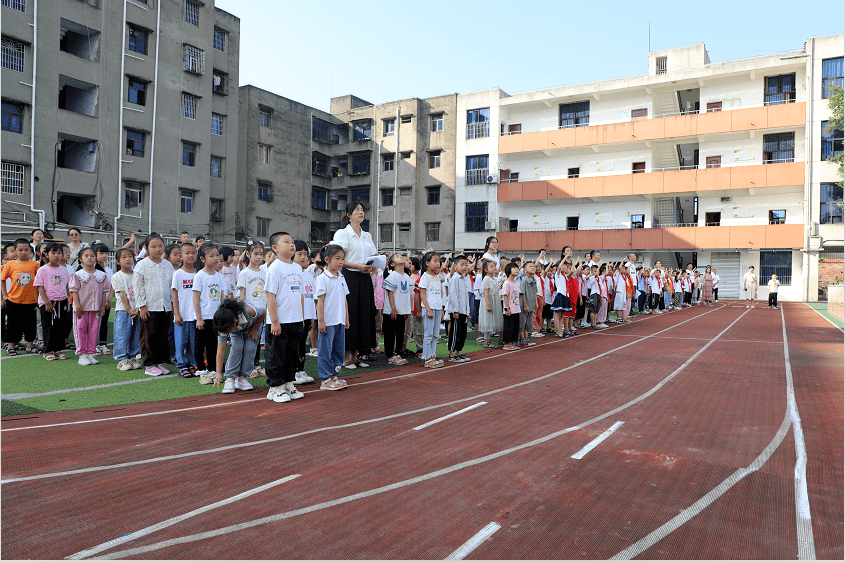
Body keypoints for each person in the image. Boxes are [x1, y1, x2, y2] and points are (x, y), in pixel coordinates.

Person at [331, 202, 377, 369]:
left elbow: (372, 256)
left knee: (364, 315)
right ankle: (345, 357)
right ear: (349, 215)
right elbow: (339, 258)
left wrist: (371, 266)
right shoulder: (343, 234)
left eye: (362, 210)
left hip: (365, 277)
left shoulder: (367, 235)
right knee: (349, 315)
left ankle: (357, 356)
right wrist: (358, 266)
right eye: (357, 210)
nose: (361, 212)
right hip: (349, 276)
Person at [265, 232, 306, 403]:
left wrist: (301, 317)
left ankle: (288, 383)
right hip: (279, 322)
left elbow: (301, 295)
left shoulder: (297, 268)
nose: (291, 244)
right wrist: (275, 321)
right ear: (275, 248)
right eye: (286, 242)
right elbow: (270, 296)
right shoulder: (274, 268)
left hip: (295, 320)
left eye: (292, 242)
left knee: (292, 354)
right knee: (276, 355)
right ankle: (275, 387)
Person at [133, 234, 175, 376]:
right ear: (146, 248)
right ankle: (149, 364)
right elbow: (138, 286)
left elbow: (171, 286)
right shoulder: (142, 265)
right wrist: (142, 306)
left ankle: (159, 362)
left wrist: (172, 306)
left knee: (162, 336)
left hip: (165, 306)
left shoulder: (167, 265)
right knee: (148, 335)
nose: (157, 249)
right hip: (149, 307)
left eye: (160, 246)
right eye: (153, 246)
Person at [315, 244, 350, 391]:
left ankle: (334, 375)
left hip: (340, 320)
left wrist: (346, 318)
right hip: (328, 321)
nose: (341, 262)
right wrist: (321, 321)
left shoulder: (341, 277)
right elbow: (320, 301)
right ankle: (325, 379)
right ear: (327, 259)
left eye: (343, 259)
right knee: (325, 350)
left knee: (338, 350)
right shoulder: (323, 278)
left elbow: (344, 299)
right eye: (338, 258)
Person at [68, 247, 110, 366]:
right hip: (81, 309)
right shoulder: (77, 275)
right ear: (81, 259)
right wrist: (77, 306)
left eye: (92, 255)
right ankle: (82, 355)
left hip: (95, 309)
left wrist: (102, 306)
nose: (90, 258)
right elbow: (74, 291)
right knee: (80, 331)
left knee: (93, 331)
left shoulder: (102, 275)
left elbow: (104, 292)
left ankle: (91, 354)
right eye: (86, 256)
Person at [212, 299, 264, 394]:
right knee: (237, 347)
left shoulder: (248, 311)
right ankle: (230, 378)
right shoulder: (223, 325)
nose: (226, 334)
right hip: (236, 330)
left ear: (236, 321)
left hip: (252, 326)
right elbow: (221, 350)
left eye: (227, 331)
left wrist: (254, 329)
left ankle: (243, 378)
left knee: (250, 348)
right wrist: (218, 373)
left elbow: (264, 312)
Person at [1, 239, 40, 355]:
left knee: (30, 323)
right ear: (14, 251)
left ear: (30, 251)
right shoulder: (10, 265)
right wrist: (4, 296)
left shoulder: (35, 265)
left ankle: (30, 345)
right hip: (13, 300)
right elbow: (2, 280)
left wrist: (39, 297)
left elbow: (40, 283)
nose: (23, 252)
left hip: (31, 301)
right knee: (13, 324)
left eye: (26, 250)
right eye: (20, 250)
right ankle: (11, 346)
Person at [193, 244, 224, 383]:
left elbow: (222, 297)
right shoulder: (199, 275)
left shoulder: (219, 276)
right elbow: (196, 298)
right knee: (200, 343)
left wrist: (223, 314)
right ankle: (200, 367)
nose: (215, 258)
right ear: (202, 259)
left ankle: (212, 367)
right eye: (211, 256)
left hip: (215, 317)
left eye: (217, 255)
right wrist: (199, 318)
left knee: (213, 343)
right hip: (203, 317)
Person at [33, 242, 71, 361]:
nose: (57, 256)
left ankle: (58, 350)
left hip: (62, 301)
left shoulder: (64, 270)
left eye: (59, 253)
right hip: (49, 302)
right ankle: (48, 351)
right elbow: (40, 287)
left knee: (60, 327)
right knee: (49, 327)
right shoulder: (43, 270)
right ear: (46, 255)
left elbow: (67, 286)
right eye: (53, 253)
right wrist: (47, 302)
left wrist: (68, 301)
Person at [237, 243, 266, 377]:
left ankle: (247, 372)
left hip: (260, 316)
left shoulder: (265, 273)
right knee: (240, 347)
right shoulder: (244, 273)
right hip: (247, 315)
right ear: (248, 254)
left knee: (252, 346)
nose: (259, 257)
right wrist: (244, 315)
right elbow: (242, 296)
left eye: (261, 254)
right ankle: (237, 374)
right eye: (255, 254)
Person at [111, 248, 142, 371]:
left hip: (137, 310)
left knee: (136, 334)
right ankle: (122, 358)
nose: (128, 259)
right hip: (123, 310)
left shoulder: (137, 275)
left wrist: (139, 307)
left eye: (130, 256)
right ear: (118, 261)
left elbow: (140, 291)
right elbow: (122, 294)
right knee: (122, 334)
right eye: (124, 257)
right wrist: (128, 308)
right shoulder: (117, 276)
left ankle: (133, 356)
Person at [172, 243, 198, 378]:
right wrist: (176, 313)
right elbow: (175, 294)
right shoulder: (178, 274)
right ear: (181, 256)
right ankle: (182, 366)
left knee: (193, 342)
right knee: (181, 342)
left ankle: (193, 364)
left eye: (193, 252)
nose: (191, 255)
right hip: (182, 315)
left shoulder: (199, 274)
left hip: (195, 316)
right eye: (187, 253)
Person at [292, 240, 316, 385]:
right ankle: (293, 370)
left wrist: (312, 317)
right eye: (299, 254)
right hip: (295, 316)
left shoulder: (308, 276)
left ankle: (301, 370)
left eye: (305, 254)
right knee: (294, 344)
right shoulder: (291, 274)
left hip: (306, 316)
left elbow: (311, 298)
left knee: (302, 344)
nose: (303, 257)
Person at [382, 254, 412, 366]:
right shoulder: (392, 276)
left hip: (402, 310)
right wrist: (393, 308)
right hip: (392, 311)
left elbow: (407, 294)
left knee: (400, 333)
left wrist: (408, 310)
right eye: (398, 256)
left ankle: (397, 353)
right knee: (390, 333)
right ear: (392, 264)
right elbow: (390, 293)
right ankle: (390, 355)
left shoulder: (407, 277)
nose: (401, 257)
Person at [418, 251, 444, 368]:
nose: (438, 264)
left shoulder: (437, 277)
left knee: (435, 335)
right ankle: (427, 358)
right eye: (435, 261)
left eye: (438, 261)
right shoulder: (425, 277)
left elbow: (440, 296)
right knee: (428, 334)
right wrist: (428, 309)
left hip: (437, 308)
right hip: (429, 309)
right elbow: (422, 295)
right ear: (427, 263)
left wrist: (442, 310)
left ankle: (433, 355)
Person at [446, 254, 472, 362]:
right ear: (455, 266)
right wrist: (455, 310)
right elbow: (453, 295)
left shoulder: (465, 278)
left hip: (463, 311)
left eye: (466, 265)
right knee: (455, 332)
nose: (465, 267)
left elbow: (466, 297)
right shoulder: (454, 279)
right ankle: (452, 355)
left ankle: (459, 353)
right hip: (457, 311)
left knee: (462, 333)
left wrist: (467, 311)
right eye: (462, 264)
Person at [93, 244, 114, 355]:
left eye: (106, 253)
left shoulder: (109, 270)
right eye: (101, 253)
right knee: (94, 322)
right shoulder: (91, 269)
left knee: (104, 322)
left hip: (105, 301)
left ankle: (103, 344)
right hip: (94, 301)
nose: (104, 256)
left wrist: (109, 299)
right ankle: (93, 344)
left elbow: (111, 286)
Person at [501, 262, 521, 351]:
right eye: (514, 268)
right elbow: (505, 296)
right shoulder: (507, 283)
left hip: (516, 309)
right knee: (509, 326)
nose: (517, 269)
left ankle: (513, 342)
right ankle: (507, 343)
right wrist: (507, 308)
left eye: (517, 268)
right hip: (509, 309)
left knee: (515, 326)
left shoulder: (516, 283)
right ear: (509, 270)